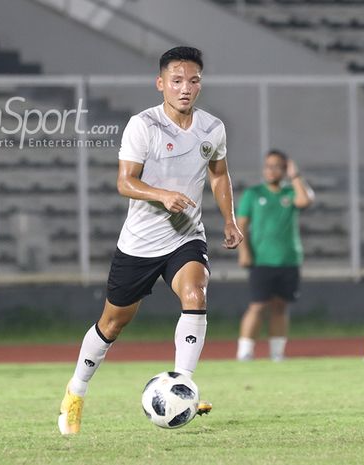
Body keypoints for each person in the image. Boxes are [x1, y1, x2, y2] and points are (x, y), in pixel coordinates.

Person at [58, 46, 243, 435]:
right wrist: (162, 194)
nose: (185, 88)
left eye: (193, 80)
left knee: (196, 295)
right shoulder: (143, 125)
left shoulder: (213, 128)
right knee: (112, 323)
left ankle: (184, 387)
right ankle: (75, 392)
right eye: (176, 81)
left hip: (185, 235)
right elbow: (125, 182)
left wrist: (229, 219)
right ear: (161, 84)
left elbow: (219, 175)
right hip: (140, 243)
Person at [235, 150, 314, 362]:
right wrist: (244, 252)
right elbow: (241, 224)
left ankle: (277, 354)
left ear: (285, 168)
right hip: (261, 260)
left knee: (281, 306)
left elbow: (305, 201)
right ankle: (245, 352)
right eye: (268, 166)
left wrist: (295, 176)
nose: (271, 170)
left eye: (277, 166)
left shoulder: (290, 193)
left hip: (289, 259)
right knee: (257, 305)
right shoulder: (253, 193)